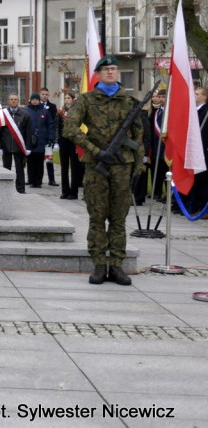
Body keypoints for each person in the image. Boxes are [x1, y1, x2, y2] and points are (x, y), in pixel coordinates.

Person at [64, 55, 143, 286]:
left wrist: (138, 167)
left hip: (122, 167)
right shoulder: (86, 100)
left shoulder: (130, 102)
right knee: (97, 217)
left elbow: (138, 137)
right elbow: (70, 128)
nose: (111, 72)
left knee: (119, 218)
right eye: (106, 69)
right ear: (98, 74)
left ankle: (116, 265)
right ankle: (99, 264)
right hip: (96, 168)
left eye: (114, 69)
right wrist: (95, 151)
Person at [0, 93, 30, 194]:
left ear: (18, 101)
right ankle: (6, 189)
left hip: (19, 147)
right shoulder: (2, 114)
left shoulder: (25, 115)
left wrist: (28, 147)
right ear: (8, 101)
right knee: (6, 168)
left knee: (20, 169)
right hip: (6, 146)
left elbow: (28, 132)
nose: (13, 101)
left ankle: (21, 189)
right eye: (11, 99)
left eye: (15, 99)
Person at [57, 90, 83, 200]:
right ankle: (65, 191)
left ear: (73, 99)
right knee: (64, 167)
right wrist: (57, 140)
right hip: (63, 141)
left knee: (74, 167)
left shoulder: (77, 111)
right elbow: (57, 126)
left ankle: (74, 192)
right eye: (65, 98)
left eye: (68, 98)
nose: (66, 100)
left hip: (73, 141)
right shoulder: (61, 112)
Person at [25, 92, 54, 188]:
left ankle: (38, 181)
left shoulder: (44, 111)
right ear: (30, 100)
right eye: (33, 99)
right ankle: (31, 180)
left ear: (39, 100)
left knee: (39, 162)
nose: (34, 101)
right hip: (29, 140)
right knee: (30, 162)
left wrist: (50, 138)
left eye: (36, 99)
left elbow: (50, 125)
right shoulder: (26, 111)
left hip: (41, 140)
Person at [147, 88, 168, 202]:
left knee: (166, 171)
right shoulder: (157, 111)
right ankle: (157, 192)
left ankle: (168, 194)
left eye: (163, 97)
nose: (160, 99)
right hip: (156, 146)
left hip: (165, 146)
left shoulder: (168, 111)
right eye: (159, 97)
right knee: (158, 170)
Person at [40, 87, 59, 186]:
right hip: (39, 137)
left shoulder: (52, 107)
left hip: (48, 137)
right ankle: (37, 179)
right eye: (43, 94)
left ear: (48, 95)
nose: (44, 96)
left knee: (49, 159)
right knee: (38, 159)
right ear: (40, 94)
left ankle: (51, 179)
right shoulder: (36, 105)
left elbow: (54, 123)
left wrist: (53, 138)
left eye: (46, 94)